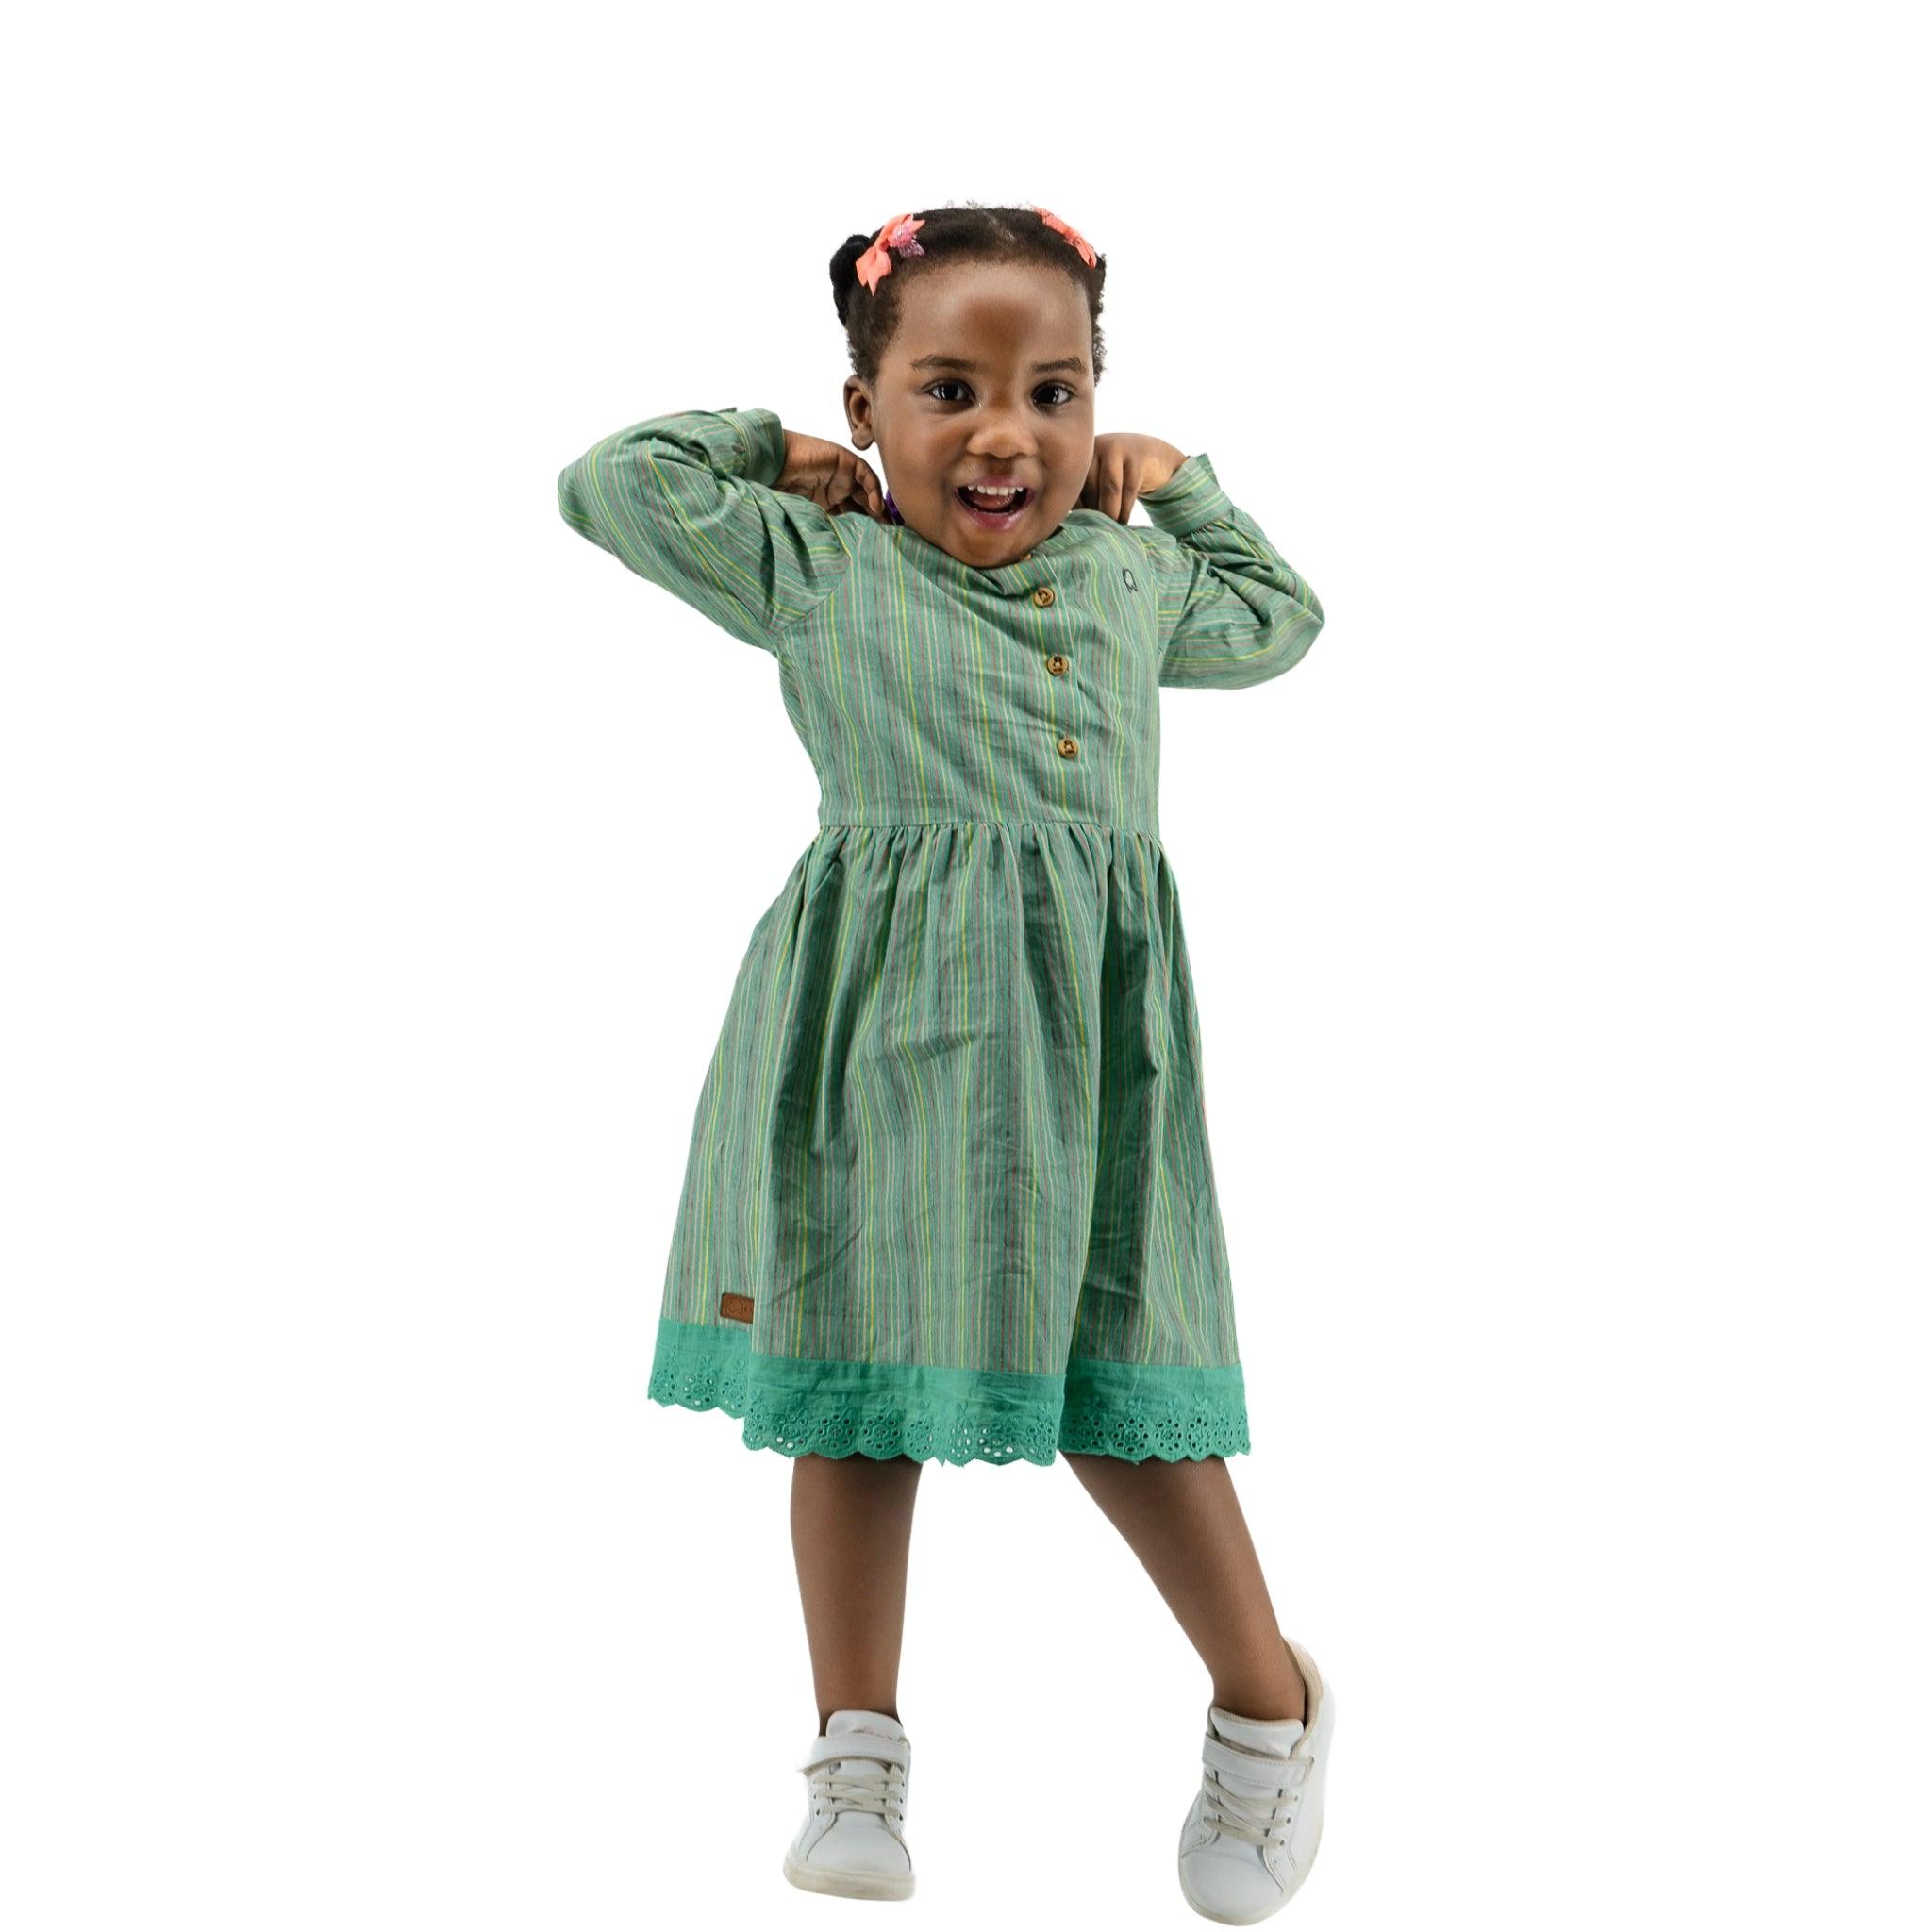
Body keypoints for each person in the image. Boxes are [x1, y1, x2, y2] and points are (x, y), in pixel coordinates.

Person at [557, 202, 1336, 1920]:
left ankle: (1269, 1707)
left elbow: (1280, 624)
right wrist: (773, 456)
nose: (1007, 432)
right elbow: (612, 484)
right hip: (874, 1024)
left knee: (1120, 1385)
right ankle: (856, 1748)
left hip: (1088, 1047)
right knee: (850, 1384)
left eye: (1056, 393)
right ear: (869, 411)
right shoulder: (813, 561)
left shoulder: (1134, 580)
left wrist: (1184, 480)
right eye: (950, 389)